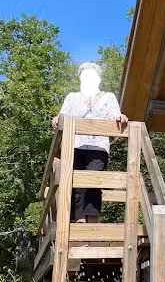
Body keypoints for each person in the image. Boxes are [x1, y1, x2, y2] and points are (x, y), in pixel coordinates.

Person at [52, 63, 128, 223]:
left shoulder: (108, 97)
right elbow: (61, 117)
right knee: (76, 183)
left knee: (94, 181)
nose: (88, 79)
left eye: (91, 76)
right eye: (85, 76)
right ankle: (78, 222)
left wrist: (121, 118)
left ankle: (91, 223)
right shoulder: (72, 97)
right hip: (74, 145)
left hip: (98, 146)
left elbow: (115, 116)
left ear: (98, 79)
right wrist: (56, 120)